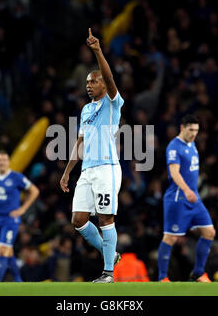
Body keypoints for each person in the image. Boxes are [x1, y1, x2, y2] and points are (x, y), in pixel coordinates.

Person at [60, 28, 124, 283]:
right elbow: (81, 141)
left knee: (106, 218)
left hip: (107, 168)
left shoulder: (112, 102)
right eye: (86, 82)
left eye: (92, 81)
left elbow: (110, 79)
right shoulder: (86, 110)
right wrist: (67, 172)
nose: (88, 85)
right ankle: (111, 253)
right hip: (87, 170)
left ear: (102, 83)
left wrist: (97, 51)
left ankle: (108, 272)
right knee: (78, 220)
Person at [158, 115, 216, 282]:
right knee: (170, 237)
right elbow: (174, 172)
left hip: (194, 198)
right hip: (178, 198)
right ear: (182, 128)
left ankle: (198, 273)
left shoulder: (192, 144)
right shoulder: (174, 147)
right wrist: (186, 190)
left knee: (209, 232)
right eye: (191, 130)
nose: (194, 134)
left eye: (196, 130)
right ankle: (162, 278)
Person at [0, 150, 39, 282]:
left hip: (10, 219)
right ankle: (18, 280)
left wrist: (23, 209)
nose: (1, 163)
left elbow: (35, 191)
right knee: (6, 249)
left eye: (4, 160)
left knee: (2, 249)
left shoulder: (16, 177)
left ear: (8, 162)